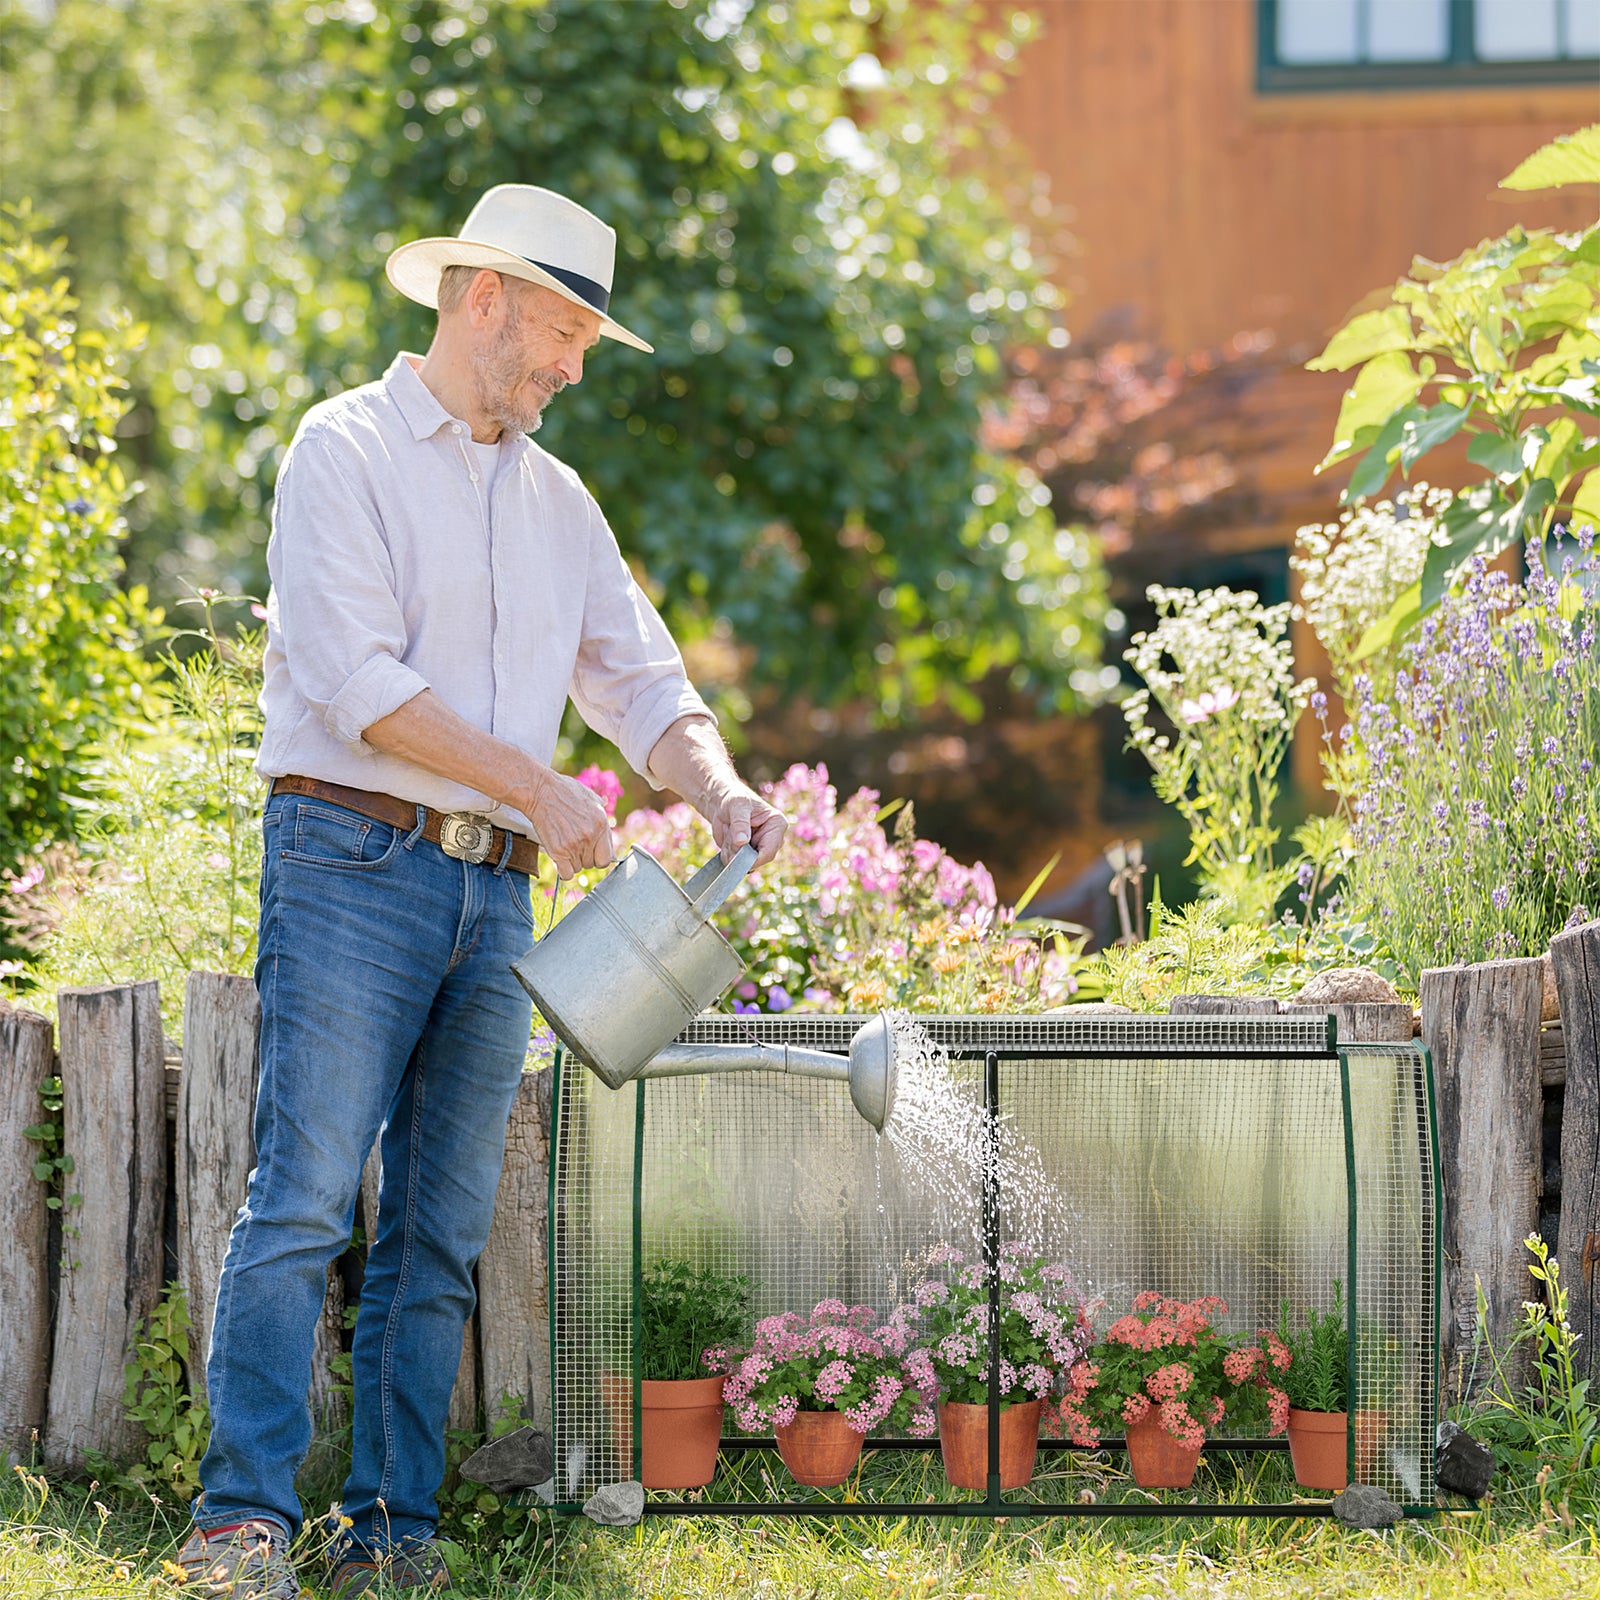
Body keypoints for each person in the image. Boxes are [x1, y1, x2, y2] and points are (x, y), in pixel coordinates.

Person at [177, 184, 787, 1598]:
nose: (576, 366)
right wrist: (533, 783)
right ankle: (241, 1521)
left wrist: (724, 790)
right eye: (567, 331)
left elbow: (642, 683)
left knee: (440, 1226)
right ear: (483, 299)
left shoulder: (561, 501)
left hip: (492, 897)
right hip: (350, 860)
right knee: (307, 1200)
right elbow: (354, 682)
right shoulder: (344, 450)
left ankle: (391, 1531)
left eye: (588, 339)